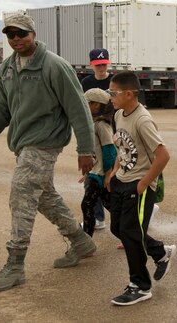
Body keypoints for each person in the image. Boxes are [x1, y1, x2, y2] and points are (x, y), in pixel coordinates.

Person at [0, 14, 96, 292]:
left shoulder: (54, 66)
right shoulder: (7, 68)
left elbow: (78, 109)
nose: (16, 39)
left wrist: (85, 149)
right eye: (10, 35)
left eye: (21, 33)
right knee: (43, 197)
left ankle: (15, 265)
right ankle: (80, 241)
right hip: (23, 144)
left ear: (33, 33)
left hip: (44, 143)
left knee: (21, 194)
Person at [105, 71, 176, 306]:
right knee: (119, 229)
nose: (110, 96)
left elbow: (163, 155)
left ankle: (140, 286)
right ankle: (159, 252)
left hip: (139, 186)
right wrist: (115, 170)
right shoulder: (119, 114)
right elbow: (122, 145)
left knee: (131, 233)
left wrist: (144, 183)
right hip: (122, 180)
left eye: (113, 92)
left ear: (128, 94)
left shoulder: (142, 120)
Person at [81, 48, 113, 230]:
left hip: (109, 128)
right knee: (93, 182)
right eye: (98, 65)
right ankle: (98, 218)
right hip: (93, 129)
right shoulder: (87, 82)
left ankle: (130, 218)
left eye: (103, 64)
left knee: (106, 181)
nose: (101, 68)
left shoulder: (112, 81)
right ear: (92, 65)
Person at [80, 88, 116, 236]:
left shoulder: (102, 125)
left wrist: (108, 174)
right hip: (95, 173)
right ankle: (130, 235)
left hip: (100, 175)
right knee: (112, 206)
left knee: (87, 205)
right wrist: (87, 172)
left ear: (96, 105)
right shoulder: (93, 123)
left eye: (86, 103)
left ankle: (86, 242)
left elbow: (109, 150)